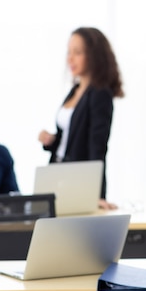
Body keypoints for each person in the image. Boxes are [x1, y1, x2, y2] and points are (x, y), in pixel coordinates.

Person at [38, 27, 124, 210]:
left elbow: (97, 146)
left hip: (78, 179)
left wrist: (96, 194)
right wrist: (51, 140)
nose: (70, 58)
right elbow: (69, 137)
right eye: (69, 52)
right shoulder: (75, 91)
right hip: (56, 172)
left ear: (94, 56)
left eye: (77, 52)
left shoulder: (100, 94)